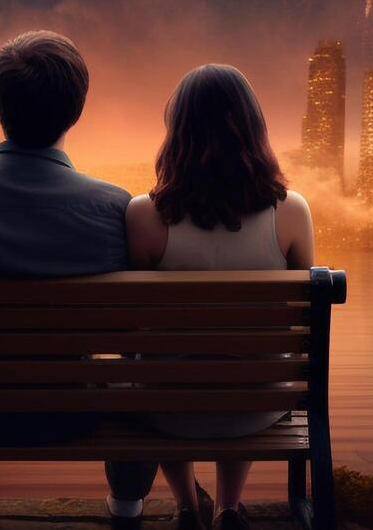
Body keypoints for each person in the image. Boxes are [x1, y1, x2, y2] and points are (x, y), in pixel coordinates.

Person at [0, 31, 163, 528]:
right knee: (139, 369)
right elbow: (135, 332)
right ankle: (127, 504)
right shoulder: (112, 207)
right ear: (77, 109)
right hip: (73, 412)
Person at [124, 64, 317, 530]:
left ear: (176, 133)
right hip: (257, 407)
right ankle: (229, 509)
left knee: (160, 371)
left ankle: (188, 507)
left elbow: (136, 332)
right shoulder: (291, 212)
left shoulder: (143, 216)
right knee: (245, 363)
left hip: (165, 411)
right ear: (254, 129)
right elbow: (303, 323)